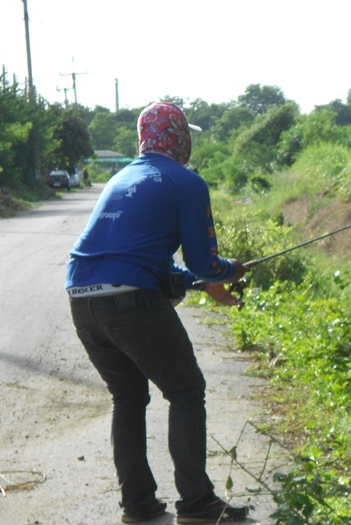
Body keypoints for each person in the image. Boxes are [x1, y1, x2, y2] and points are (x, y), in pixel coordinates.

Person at [66, 102, 250, 524]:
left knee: (128, 396)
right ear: (181, 137)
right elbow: (205, 262)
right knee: (185, 391)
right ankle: (197, 503)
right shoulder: (186, 182)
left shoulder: (121, 177)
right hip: (130, 301)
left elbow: (151, 262)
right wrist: (228, 271)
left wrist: (201, 283)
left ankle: (138, 506)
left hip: (81, 298)